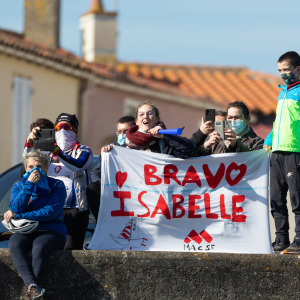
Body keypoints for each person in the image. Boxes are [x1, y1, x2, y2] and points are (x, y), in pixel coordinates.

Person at [24, 113, 94, 250]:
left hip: (76, 210)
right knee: (49, 250)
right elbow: (28, 163)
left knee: (70, 251)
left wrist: (57, 151)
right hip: (52, 208)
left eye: (66, 127)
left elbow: (78, 165)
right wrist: (30, 142)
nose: (62, 131)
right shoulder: (47, 154)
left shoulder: (84, 150)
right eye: (58, 127)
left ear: (75, 130)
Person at [4, 150, 66, 299]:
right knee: (14, 243)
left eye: (39, 166)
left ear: (46, 168)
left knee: (39, 246)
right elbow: (15, 207)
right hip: (26, 229)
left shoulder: (57, 185)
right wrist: (29, 185)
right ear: (26, 169)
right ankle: (33, 286)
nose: (34, 169)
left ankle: (32, 291)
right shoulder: (19, 186)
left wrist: (19, 215)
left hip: (51, 229)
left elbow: (50, 212)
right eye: (30, 166)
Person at [264, 51, 300, 252]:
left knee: (297, 198)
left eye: (286, 69)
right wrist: (269, 141)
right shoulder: (283, 92)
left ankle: (299, 239)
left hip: (295, 151)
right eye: (279, 70)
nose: (283, 73)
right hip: (277, 152)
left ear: (297, 69)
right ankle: (281, 239)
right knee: (276, 199)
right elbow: (279, 122)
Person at [86, 116, 135, 221]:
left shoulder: (142, 148)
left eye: (126, 131)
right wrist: (103, 185)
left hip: (135, 192)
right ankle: (102, 223)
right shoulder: (111, 149)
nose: (122, 135)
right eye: (119, 132)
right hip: (114, 192)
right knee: (92, 188)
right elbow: (96, 172)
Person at [123, 102, 197, 157]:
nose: (145, 116)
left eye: (150, 113)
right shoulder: (126, 144)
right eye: (141, 114)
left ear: (157, 119)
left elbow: (191, 150)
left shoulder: (165, 141)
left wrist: (164, 136)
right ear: (137, 122)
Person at [191, 101, 264, 155]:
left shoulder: (258, 142)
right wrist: (205, 147)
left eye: (237, 117)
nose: (233, 121)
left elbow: (254, 160)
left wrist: (236, 145)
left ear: (247, 119)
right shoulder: (216, 139)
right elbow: (194, 158)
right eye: (230, 118)